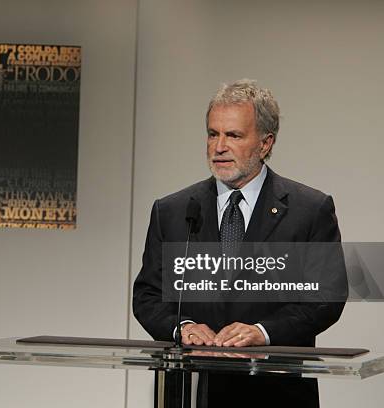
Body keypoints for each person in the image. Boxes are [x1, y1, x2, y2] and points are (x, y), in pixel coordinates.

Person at [132, 79, 347, 407]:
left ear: (265, 143)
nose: (218, 146)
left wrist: (263, 332)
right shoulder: (173, 211)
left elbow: (325, 299)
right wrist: (182, 327)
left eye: (233, 135)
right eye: (212, 133)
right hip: (193, 390)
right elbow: (147, 296)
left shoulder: (309, 210)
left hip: (274, 392)